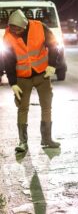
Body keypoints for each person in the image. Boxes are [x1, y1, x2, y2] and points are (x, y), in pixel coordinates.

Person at [3, 9, 61, 152]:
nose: (15, 32)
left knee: (47, 106)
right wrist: (13, 83)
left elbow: (54, 44)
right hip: (23, 77)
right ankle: (23, 142)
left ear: (25, 24)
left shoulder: (40, 27)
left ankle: (47, 139)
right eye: (13, 29)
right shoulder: (8, 35)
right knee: (22, 108)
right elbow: (8, 60)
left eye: (18, 29)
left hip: (42, 75)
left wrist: (52, 65)